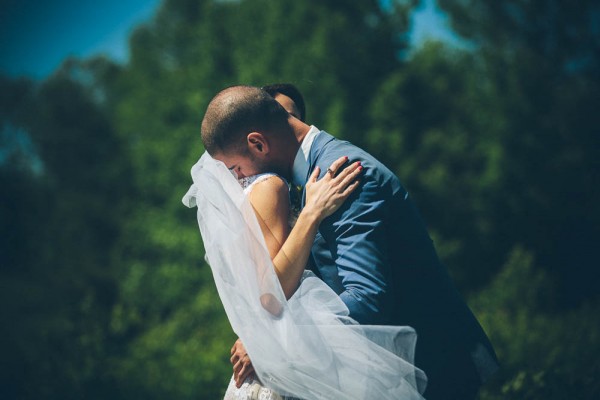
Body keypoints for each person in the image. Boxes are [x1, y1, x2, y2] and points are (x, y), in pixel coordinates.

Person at [203, 85, 499, 400]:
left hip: (431, 369)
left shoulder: (346, 173)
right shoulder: (302, 177)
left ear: (258, 143)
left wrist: (273, 345)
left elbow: (369, 299)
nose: (239, 180)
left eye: (236, 168)